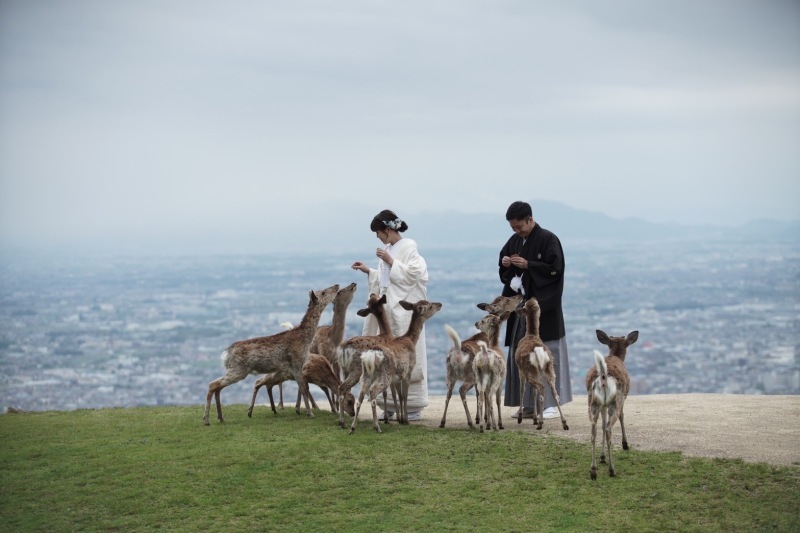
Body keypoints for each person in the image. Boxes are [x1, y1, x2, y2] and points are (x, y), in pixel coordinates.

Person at [351, 209, 430, 421]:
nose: (377, 237)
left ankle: (411, 406)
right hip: (388, 311)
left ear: (387, 229)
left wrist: (391, 261)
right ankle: (388, 404)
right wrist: (369, 271)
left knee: (403, 357)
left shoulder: (410, 249)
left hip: (402, 314)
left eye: (378, 232)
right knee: (386, 357)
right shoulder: (388, 249)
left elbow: (416, 275)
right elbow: (385, 280)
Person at [499, 201, 572, 418]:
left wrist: (530, 265)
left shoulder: (549, 239)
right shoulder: (514, 241)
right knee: (521, 354)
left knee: (546, 353)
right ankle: (529, 404)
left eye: (519, 226)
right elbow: (505, 271)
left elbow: (555, 270)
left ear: (530, 219)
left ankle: (551, 403)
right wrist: (506, 263)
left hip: (543, 308)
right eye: (513, 228)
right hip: (521, 306)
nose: (516, 231)